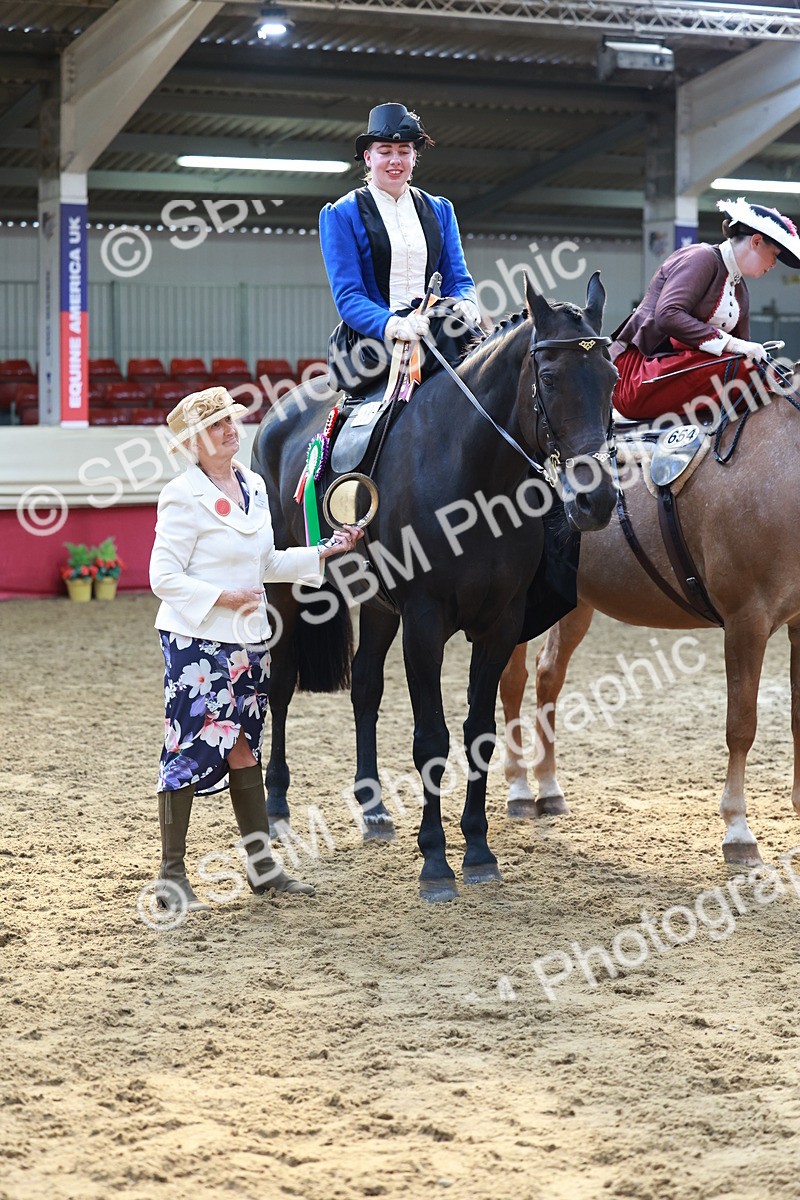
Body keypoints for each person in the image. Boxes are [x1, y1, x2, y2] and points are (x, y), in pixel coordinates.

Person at [149, 386, 363, 914]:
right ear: (194, 442)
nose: (230, 430)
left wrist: (323, 552)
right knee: (188, 748)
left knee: (244, 744)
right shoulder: (181, 494)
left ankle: (261, 866)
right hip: (195, 640)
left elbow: (265, 563)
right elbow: (161, 577)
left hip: (247, 638)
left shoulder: (255, 487)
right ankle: (171, 876)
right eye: (217, 426)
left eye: (231, 421)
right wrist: (223, 595)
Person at [319, 101, 481, 396]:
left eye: (404, 152)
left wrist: (466, 301)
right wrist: (393, 324)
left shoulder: (440, 210)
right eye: (385, 152)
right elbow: (349, 295)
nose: (395, 160)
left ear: (414, 157)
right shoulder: (341, 214)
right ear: (368, 158)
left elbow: (458, 278)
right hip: (375, 337)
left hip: (435, 327)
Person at [611, 197, 800, 420]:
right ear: (756, 242)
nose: (773, 265)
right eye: (774, 255)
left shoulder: (741, 290)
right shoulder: (701, 257)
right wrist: (735, 344)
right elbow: (667, 315)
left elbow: (744, 354)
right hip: (636, 376)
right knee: (746, 370)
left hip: (681, 371)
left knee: (755, 369)